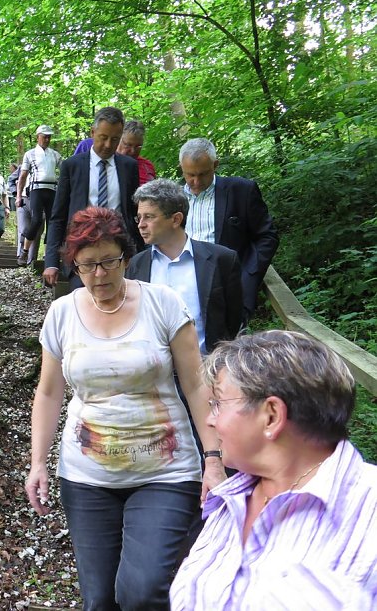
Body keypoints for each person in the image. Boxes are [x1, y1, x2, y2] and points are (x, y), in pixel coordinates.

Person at [25, 207, 226, 611]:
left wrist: (215, 458)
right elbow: (48, 393)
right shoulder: (62, 313)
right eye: (86, 266)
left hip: (166, 471)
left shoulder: (163, 304)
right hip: (86, 476)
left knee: (142, 590)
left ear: (126, 257)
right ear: (74, 265)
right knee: (99, 600)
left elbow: (196, 383)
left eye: (108, 262)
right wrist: (38, 463)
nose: (99, 275)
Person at [171, 330, 377, 610]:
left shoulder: (368, 509)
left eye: (218, 403)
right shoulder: (230, 500)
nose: (209, 420)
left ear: (272, 415)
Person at [126, 179, 242, 356]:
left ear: (176, 219)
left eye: (149, 217)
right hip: (154, 372)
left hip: (207, 370)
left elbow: (233, 322)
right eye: (139, 217)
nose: (141, 224)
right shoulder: (136, 264)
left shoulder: (222, 259)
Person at [179, 138, 279, 322]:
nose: (196, 181)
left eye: (203, 174)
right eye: (189, 174)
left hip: (230, 288)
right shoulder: (172, 197)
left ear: (215, 165)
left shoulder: (241, 191)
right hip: (183, 287)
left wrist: (249, 274)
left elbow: (267, 236)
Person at [44, 107, 142, 290]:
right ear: (93, 132)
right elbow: (58, 216)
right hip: (81, 252)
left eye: (114, 139)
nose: (107, 145)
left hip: (118, 254)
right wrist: (51, 262)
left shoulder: (129, 167)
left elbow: (134, 213)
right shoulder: (72, 166)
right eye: (103, 137)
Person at [16, 125, 62, 266]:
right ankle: (24, 251)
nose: (47, 139)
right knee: (36, 220)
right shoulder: (30, 154)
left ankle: (49, 255)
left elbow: (65, 170)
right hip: (36, 189)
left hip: (52, 190)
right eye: (44, 136)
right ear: (38, 137)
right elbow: (23, 176)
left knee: (52, 222)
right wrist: (18, 196)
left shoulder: (55, 154)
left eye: (49, 137)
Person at [117, 120, 157, 186]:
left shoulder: (147, 166)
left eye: (138, 146)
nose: (133, 151)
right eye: (128, 145)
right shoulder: (108, 163)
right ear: (118, 140)